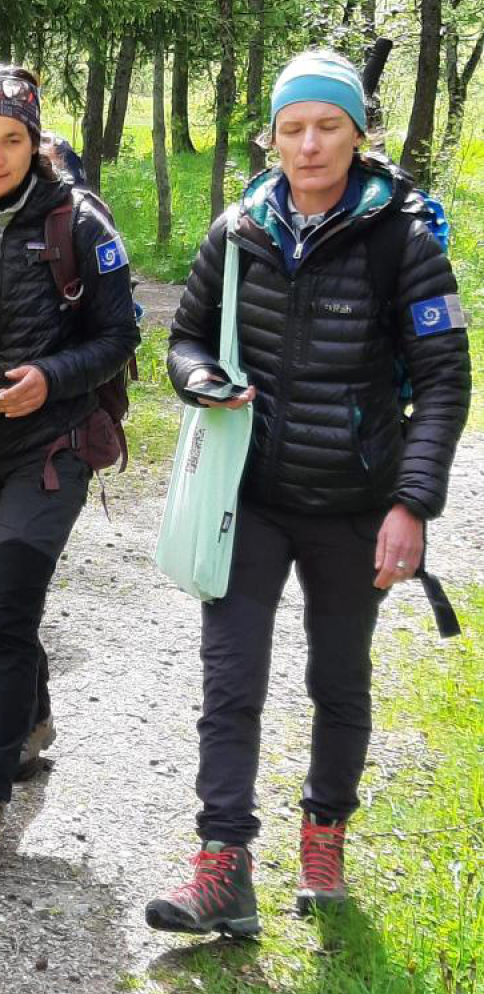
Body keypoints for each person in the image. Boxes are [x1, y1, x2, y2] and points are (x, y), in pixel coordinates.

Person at [146, 50, 470, 937]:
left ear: (358, 133)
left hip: (356, 503)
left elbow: (444, 377)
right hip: (246, 496)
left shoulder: (402, 238)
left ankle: (324, 836)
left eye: (328, 125)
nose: (310, 143)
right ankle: (223, 866)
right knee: (230, 682)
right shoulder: (239, 227)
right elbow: (181, 339)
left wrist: (413, 504)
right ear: (274, 137)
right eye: (294, 128)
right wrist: (202, 377)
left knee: (338, 679)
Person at [0, 65, 139, 855]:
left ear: (36, 141)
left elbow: (121, 338)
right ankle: (33, 715)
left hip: (52, 447)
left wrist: (50, 380)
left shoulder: (80, 223)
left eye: (13, 140)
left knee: (6, 614)